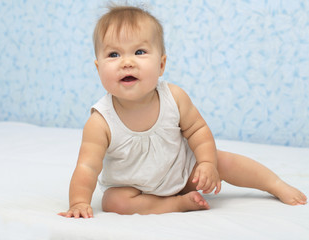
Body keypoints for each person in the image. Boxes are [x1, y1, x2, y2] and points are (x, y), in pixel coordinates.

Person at [58, 5, 307, 218]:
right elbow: (87, 168)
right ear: (98, 67)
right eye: (113, 54)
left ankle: (274, 184)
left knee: (224, 161)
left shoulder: (173, 97)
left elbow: (198, 130)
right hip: (134, 188)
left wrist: (207, 164)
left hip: (184, 173)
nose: (127, 62)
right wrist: (79, 202)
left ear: (161, 64)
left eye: (140, 52)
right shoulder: (100, 121)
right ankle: (175, 204)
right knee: (113, 202)